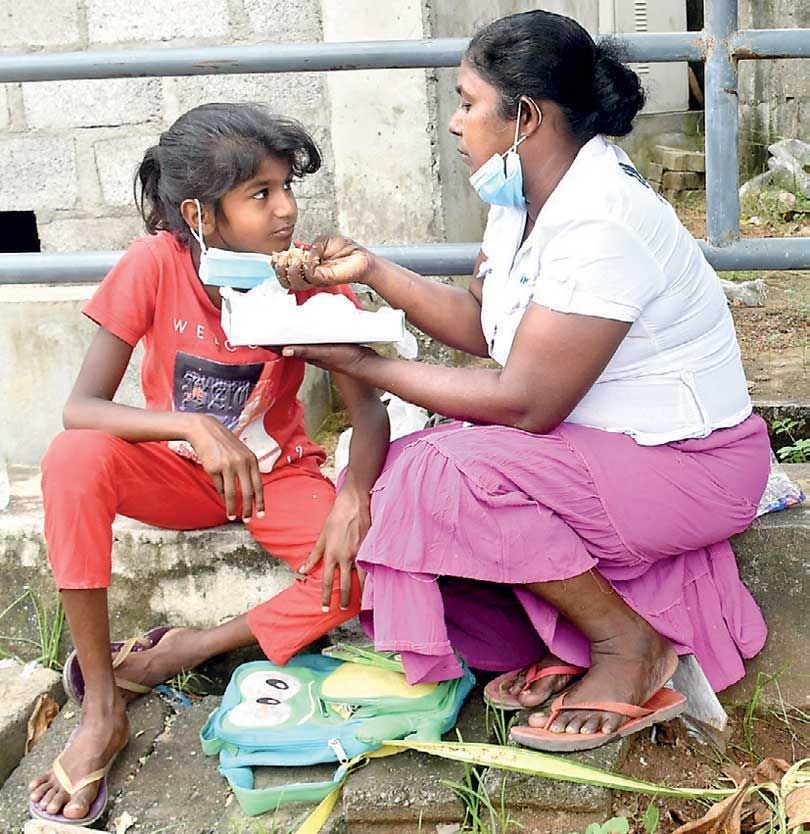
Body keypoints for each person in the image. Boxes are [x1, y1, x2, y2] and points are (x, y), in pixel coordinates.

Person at [272, 10, 771, 753]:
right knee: (394, 471)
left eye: (469, 101)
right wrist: (373, 270)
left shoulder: (604, 220)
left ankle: (627, 645)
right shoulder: (523, 202)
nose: (453, 122)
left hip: (689, 466)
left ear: (525, 117)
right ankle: (572, 635)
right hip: (607, 449)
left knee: (439, 470)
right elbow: (485, 327)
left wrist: (367, 367)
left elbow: (527, 402)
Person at [29, 103, 389, 824]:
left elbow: (370, 408)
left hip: (276, 476)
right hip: (178, 475)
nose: (286, 209)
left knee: (366, 565)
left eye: (287, 187)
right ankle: (102, 707)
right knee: (73, 459)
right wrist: (190, 424)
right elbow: (83, 407)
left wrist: (355, 496)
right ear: (198, 213)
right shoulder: (153, 264)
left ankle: (179, 653)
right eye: (260, 194)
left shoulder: (309, 280)